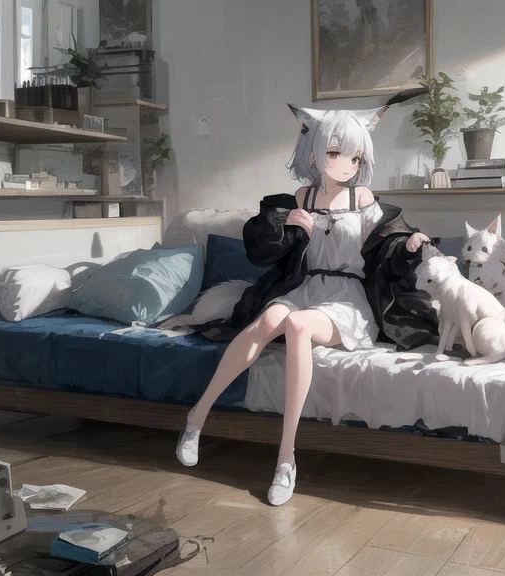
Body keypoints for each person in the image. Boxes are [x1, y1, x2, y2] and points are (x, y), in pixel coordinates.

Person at [176, 103, 436, 506]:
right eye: (334, 153)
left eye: (355, 156)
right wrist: (289, 229)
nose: (346, 164)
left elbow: (388, 248)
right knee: (270, 319)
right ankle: (196, 418)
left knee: (297, 326)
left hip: (347, 298)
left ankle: (286, 458)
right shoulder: (300, 197)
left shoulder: (364, 198)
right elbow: (267, 250)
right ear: (313, 153)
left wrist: (410, 245)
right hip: (305, 288)